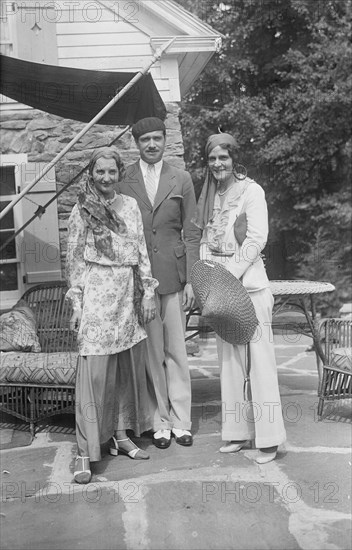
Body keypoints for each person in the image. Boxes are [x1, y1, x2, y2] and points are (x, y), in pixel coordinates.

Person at [66, 146, 158, 484]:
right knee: (94, 378)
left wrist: (147, 291)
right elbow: (74, 260)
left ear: (119, 173)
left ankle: (120, 435)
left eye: (112, 171)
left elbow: (141, 252)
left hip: (124, 296)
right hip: (95, 296)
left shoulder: (130, 206)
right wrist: (76, 303)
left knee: (121, 372)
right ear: (91, 172)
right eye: (100, 171)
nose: (106, 177)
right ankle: (84, 451)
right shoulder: (81, 210)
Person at [194, 132, 286, 464]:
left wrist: (228, 273)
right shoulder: (209, 196)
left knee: (259, 364)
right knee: (230, 364)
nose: (218, 164)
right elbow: (205, 238)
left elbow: (257, 237)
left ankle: (270, 440)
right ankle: (236, 432)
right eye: (212, 158)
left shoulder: (251, 191)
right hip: (222, 291)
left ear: (235, 159)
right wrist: (208, 276)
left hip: (249, 288)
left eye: (224, 158)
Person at [117, 117, 201, 449]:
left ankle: (182, 421)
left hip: (175, 275)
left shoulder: (181, 178)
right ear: (136, 143)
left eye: (157, 139)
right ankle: (159, 421)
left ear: (165, 140)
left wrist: (193, 277)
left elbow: (192, 231)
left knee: (176, 349)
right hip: (142, 280)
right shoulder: (124, 180)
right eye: (145, 140)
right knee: (152, 353)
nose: (151, 144)